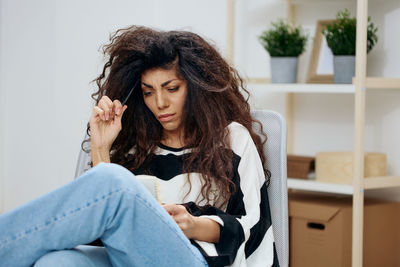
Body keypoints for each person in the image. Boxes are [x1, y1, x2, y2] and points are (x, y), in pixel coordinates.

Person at [0, 26, 278, 267]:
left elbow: (254, 225)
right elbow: (104, 225)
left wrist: (194, 225)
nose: (160, 103)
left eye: (172, 88)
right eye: (148, 92)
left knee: (113, 182)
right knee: (55, 263)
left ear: (196, 87)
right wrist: (100, 148)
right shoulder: (139, 147)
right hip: (136, 257)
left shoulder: (231, 139)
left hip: (198, 259)